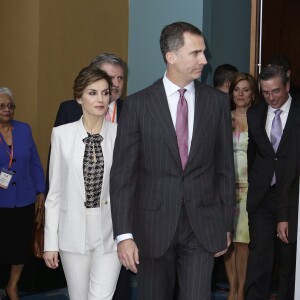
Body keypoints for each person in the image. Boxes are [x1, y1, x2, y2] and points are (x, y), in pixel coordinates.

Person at [110, 21, 235, 300]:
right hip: (151, 229)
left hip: (202, 226)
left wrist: (225, 224)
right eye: (196, 53)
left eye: (203, 53)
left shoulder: (216, 103)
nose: (204, 60)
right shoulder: (138, 105)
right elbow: (122, 177)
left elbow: (225, 169)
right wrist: (124, 235)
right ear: (171, 56)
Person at [49, 53, 131, 300]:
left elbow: (128, 186)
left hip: (110, 231)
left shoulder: (121, 134)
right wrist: (50, 243)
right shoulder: (62, 135)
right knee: (79, 296)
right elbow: (55, 192)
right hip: (72, 231)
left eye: (105, 93)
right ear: (79, 97)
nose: (101, 98)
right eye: (93, 92)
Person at [245, 65, 300, 300]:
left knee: (288, 263)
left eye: (276, 91)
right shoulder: (255, 113)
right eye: (265, 92)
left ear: (287, 86)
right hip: (262, 197)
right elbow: (253, 153)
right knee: (258, 261)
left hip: (293, 196)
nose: (271, 98)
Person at [0, 87, 45, 300]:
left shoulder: (24, 129)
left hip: (24, 199)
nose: (7, 110)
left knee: (20, 248)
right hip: (1, 202)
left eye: (10, 105)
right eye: (2, 106)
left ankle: (12, 286)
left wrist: (40, 191)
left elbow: (35, 162)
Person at [224, 73, 258, 300]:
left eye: (245, 90)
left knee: (243, 242)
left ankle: (241, 291)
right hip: (226, 188)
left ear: (253, 94)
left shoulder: (258, 119)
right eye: (237, 89)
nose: (241, 94)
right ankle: (231, 288)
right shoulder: (223, 118)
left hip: (250, 188)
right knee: (227, 242)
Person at [54, 53, 126, 127]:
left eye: (120, 78)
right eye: (110, 78)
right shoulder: (68, 110)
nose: (117, 84)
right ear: (93, 76)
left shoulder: (130, 109)